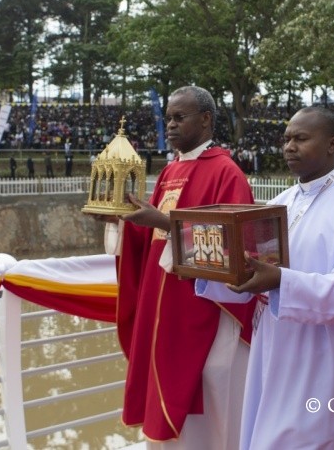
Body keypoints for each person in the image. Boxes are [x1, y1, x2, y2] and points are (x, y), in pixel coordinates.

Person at [196, 107, 334, 449]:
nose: (289, 147)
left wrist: (279, 281)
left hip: (321, 352)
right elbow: (250, 275)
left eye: (301, 139)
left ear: (333, 144)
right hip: (272, 344)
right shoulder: (278, 203)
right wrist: (207, 268)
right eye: (287, 139)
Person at [106, 85, 256, 448]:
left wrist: (161, 222)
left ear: (205, 120)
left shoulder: (226, 173)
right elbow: (153, 241)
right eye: (168, 118)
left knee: (209, 404)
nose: (170, 125)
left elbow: (235, 246)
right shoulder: (172, 170)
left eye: (179, 117)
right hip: (163, 309)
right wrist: (121, 221)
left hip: (201, 310)